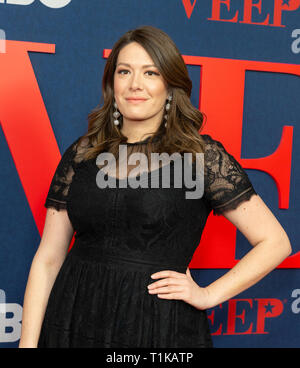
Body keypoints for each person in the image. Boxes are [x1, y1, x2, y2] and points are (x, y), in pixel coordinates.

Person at [19, 26, 291, 348]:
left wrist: (208, 294)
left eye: (150, 72)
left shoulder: (198, 157)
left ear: (170, 87)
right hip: (73, 317)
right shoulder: (84, 153)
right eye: (124, 71)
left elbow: (275, 242)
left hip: (156, 326)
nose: (135, 84)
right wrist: (28, 344)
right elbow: (48, 259)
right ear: (112, 84)